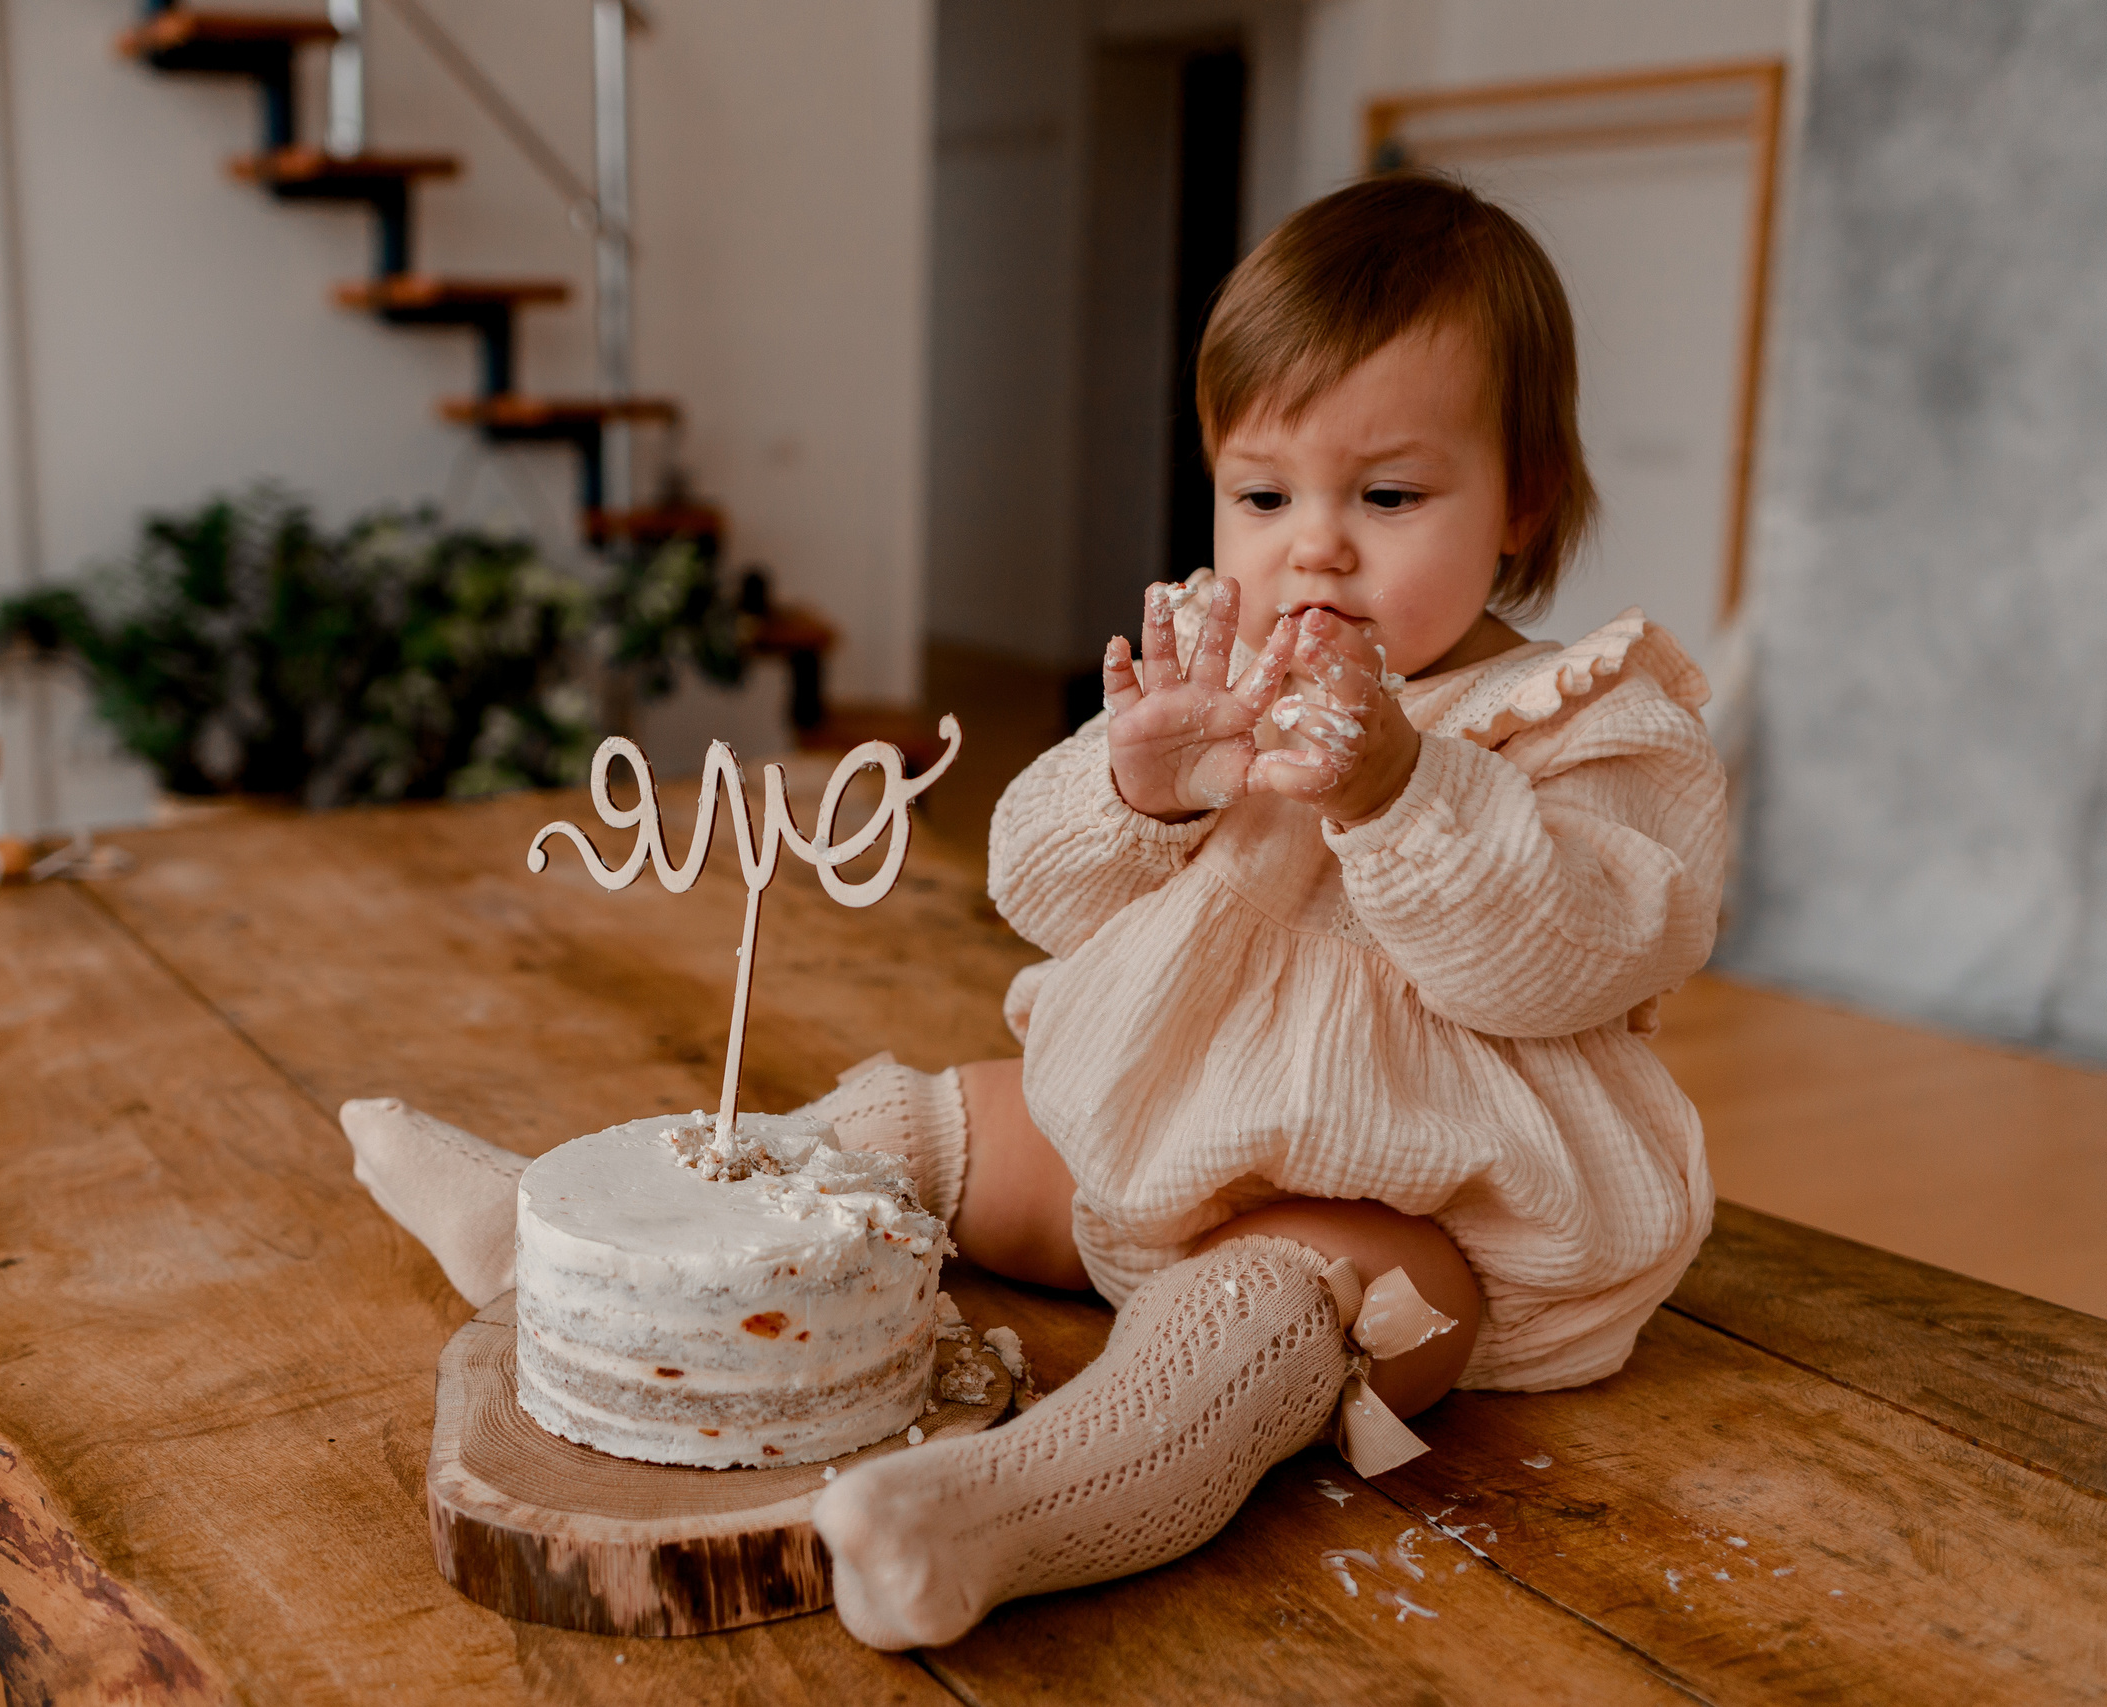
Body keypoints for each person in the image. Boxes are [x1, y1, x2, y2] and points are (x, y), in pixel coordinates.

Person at [348, 171, 1726, 1650]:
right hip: (1157, 1133)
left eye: (1388, 496)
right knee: (921, 1122)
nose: (1313, 547)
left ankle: (995, 1511)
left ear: (1522, 494)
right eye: (1264, 494)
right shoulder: (1224, 665)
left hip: (1428, 1216)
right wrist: (1141, 788)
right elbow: (1036, 888)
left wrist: (1399, 788)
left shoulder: (1584, 714)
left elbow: (1575, 953)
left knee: (1284, 1306)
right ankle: (568, 1255)